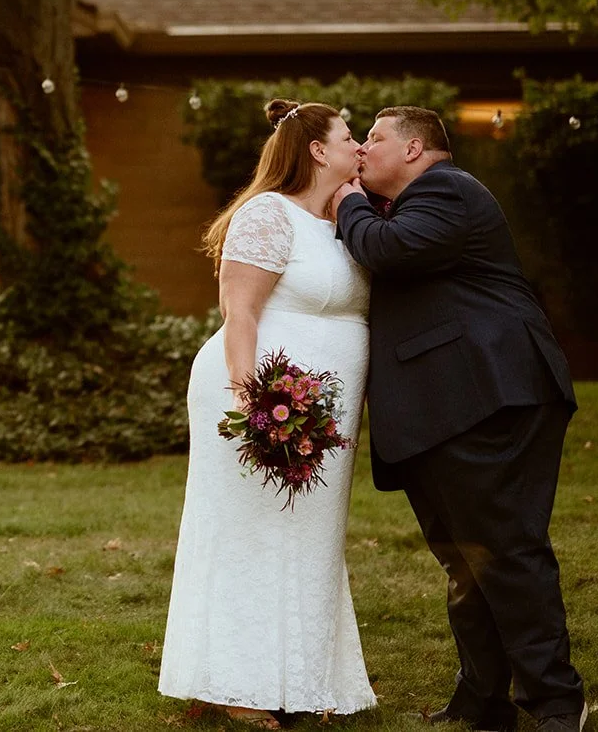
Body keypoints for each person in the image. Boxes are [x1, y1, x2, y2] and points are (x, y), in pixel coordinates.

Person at [333, 106, 587, 732]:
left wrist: (345, 202)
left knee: (504, 549)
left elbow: (389, 251)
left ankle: (557, 699)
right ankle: (483, 698)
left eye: (374, 139)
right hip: (443, 407)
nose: (362, 151)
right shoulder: (410, 201)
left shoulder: (445, 189)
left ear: (416, 150)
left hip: (489, 393)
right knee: (465, 558)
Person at [159, 99, 377, 728]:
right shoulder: (267, 214)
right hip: (262, 397)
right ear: (316, 150)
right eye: (348, 137)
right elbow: (242, 312)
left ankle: (305, 677)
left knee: (311, 538)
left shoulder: (343, 220)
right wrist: (250, 401)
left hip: (325, 414)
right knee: (250, 533)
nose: (358, 147)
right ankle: (236, 684)